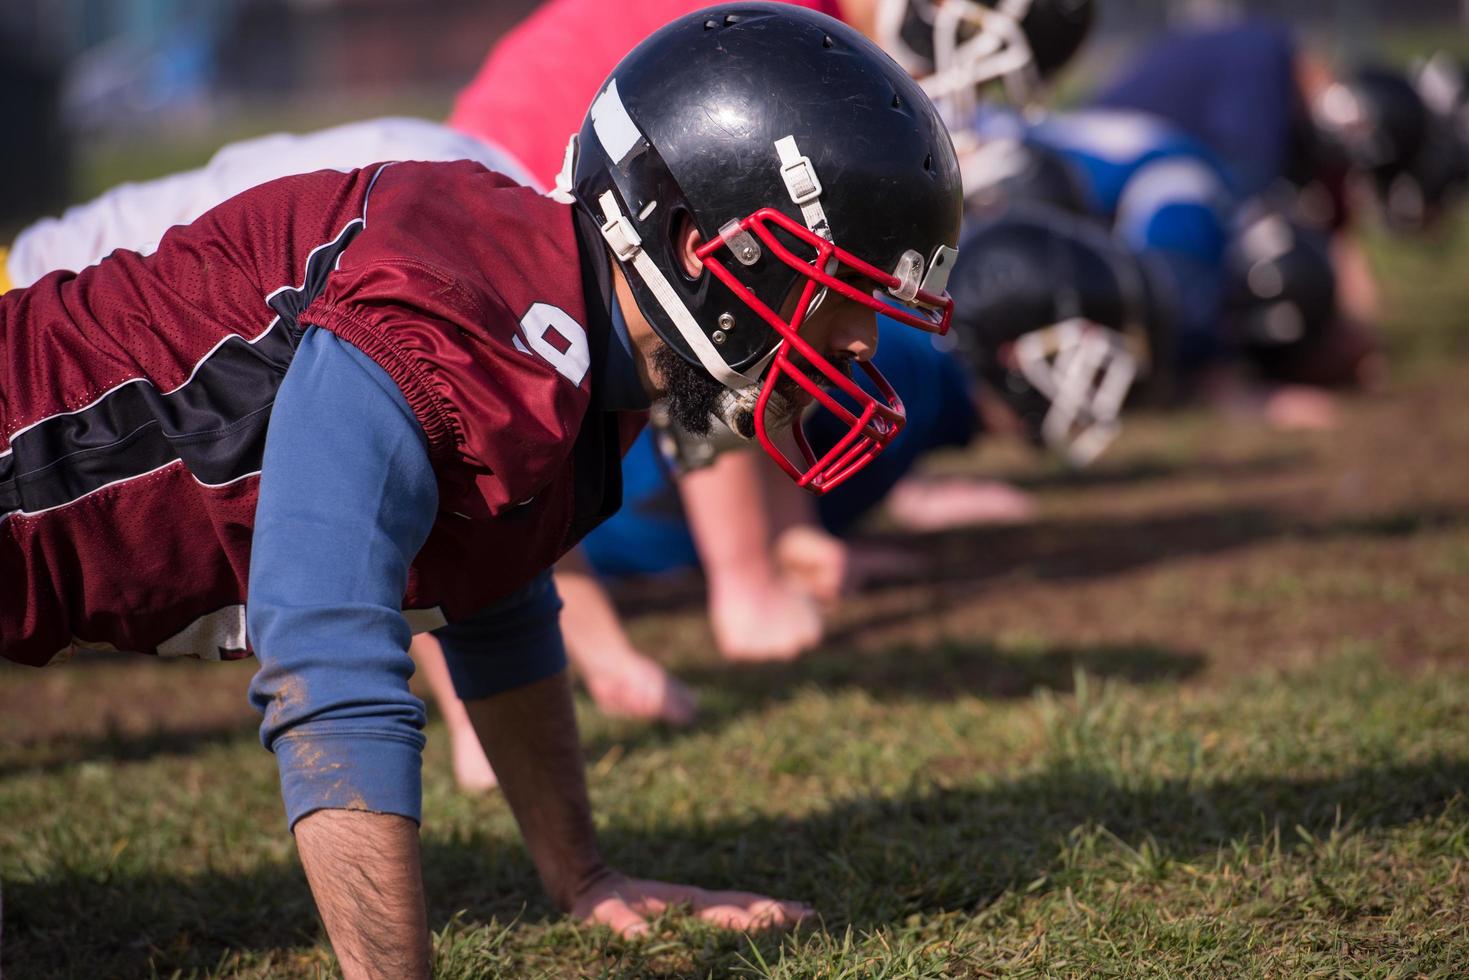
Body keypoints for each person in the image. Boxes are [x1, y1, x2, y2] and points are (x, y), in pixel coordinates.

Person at [0, 7, 963, 977]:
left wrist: (582, 874)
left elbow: (493, 587)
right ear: (691, 244)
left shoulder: (578, 342)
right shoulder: (463, 305)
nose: (855, 344)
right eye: (835, 287)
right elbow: (325, 649)